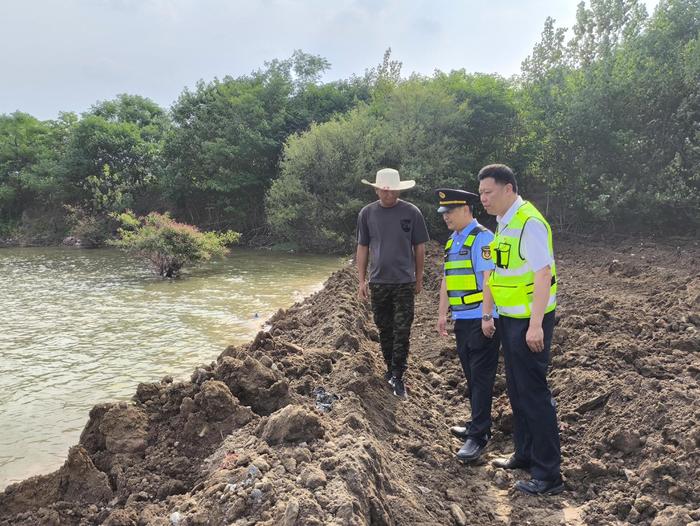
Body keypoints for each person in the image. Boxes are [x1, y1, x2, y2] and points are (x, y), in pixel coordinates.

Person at [477, 164, 563, 496]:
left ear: (509, 189)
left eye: (489, 192)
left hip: (530, 321)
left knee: (534, 394)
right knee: (516, 390)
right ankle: (524, 453)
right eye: (481, 193)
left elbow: (543, 275)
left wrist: (536, 324)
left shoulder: (529, 223)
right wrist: (492, 314)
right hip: (510, 319)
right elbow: (498, 273)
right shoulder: (503, 224)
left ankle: (548, 474)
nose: (484, 198)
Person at [435, 188, 500, 464]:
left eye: (450, 211)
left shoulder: (482, 237)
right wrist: (441, 314)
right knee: (470, 375)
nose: (446, 217)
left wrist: (487, 316)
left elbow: (489, 278)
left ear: (466, 210)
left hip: (480, 319)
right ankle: (476, 423)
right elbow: (448, 279)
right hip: (462, 319)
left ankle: (479, 435)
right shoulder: (452, 241)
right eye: (444, 213)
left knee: (482, 376)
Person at [356, 168, 429, 399]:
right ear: (377, 190)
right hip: (379, 281)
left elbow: (419, 247)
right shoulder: (367, 214)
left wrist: (418, 277)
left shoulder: (412, 212)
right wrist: (361, 280)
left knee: (402, 329)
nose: (389, 195)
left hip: (404, 282)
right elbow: (363, 247)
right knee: (384, 328)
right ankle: (389, 367)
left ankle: (398, 374)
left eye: (393, 191)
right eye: (385, 191)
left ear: (399, 190)